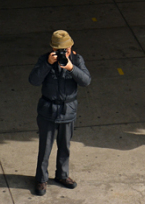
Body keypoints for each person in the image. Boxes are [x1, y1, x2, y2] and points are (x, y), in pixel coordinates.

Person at [29, 30, 91, 196]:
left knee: (65, 146)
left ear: (71, 46)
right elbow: (34, 80)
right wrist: (48, 64)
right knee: (45, 147)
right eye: (60, 50)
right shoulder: (45, 59)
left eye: (66, 49)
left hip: (68, 110)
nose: (64, 52)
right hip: (48, 109)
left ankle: (62, 175)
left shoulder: (77, 60)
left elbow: (86, 81)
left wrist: (71, 68)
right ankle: (41, 179)